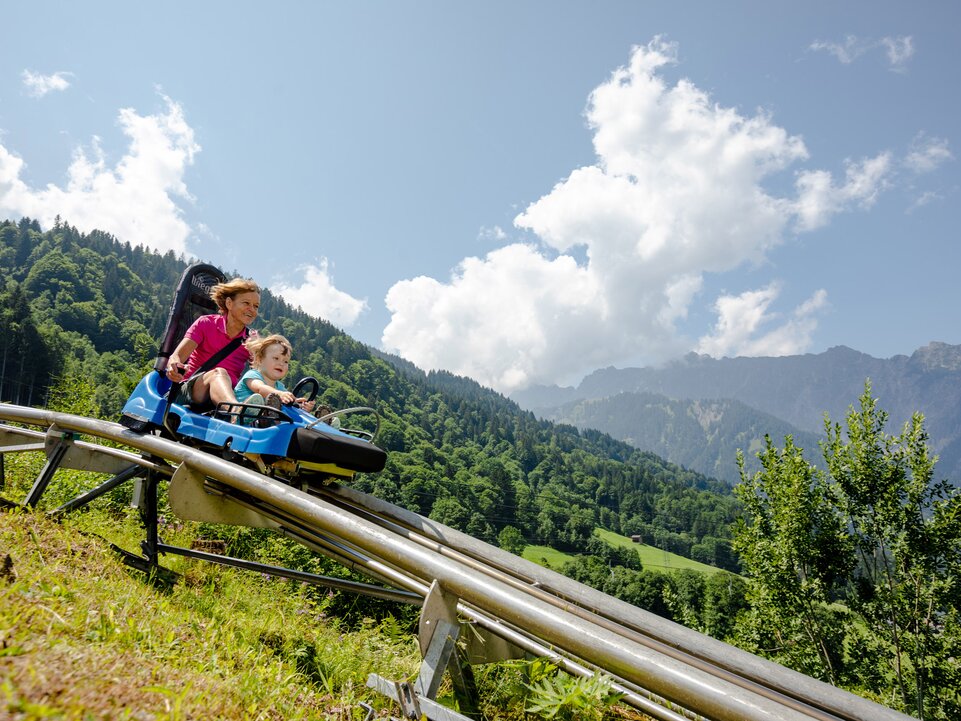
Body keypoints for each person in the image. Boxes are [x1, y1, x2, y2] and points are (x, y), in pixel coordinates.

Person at [165, 277, 260, 415]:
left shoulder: (252, 340)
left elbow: (260, 373)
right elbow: (177, 356)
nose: (252, 310)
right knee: (218, 373)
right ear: (229, 303)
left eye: (256, 306)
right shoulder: (205, 324)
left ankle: (238, 410)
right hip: (190, 392)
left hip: (224, 397)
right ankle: (236, 413)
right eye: (246, 303)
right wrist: (173, 366)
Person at [234, 334, 316, 420]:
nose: (281, 363)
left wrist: (299, 405)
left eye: (285, 361)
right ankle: (254, 415)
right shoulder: (252, 375)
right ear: (260, 359)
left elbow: (286, 401)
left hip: (262, 426)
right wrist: (280, 394)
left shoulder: (280, 387)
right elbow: (260, 388)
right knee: (261, 400)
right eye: (276, 358)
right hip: (238, 419)